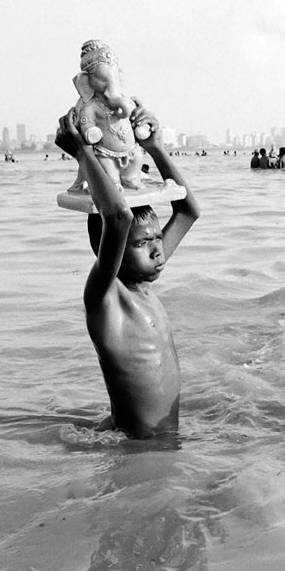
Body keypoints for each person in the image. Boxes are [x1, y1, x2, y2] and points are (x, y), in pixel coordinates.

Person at [54, 102, 201, 438]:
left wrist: (155, 147)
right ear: (110, 249)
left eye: (156, 239)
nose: (156, 249)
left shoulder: (144, 280)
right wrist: (82, 154)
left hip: (163, 437)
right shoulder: (106, 298)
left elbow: (189, 210)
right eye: (140, 244)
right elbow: (118, 217)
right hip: (139, 445)